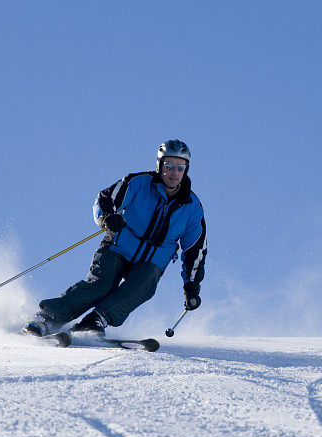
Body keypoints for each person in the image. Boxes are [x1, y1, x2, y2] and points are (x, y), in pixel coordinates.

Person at [23, 139, 207, 337]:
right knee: (101, 285)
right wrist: (107, 218)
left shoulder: (192, 207)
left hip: (150, 263)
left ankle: (96, 320)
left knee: (145, 281)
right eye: (169, 165)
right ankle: (46, 318)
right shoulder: (138, 183)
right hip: (117, 249)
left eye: (180, 167)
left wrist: (191, 286)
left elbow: (195, 250)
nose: (174, 172)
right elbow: (105, 199)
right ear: (160, 166)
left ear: (186, 170)